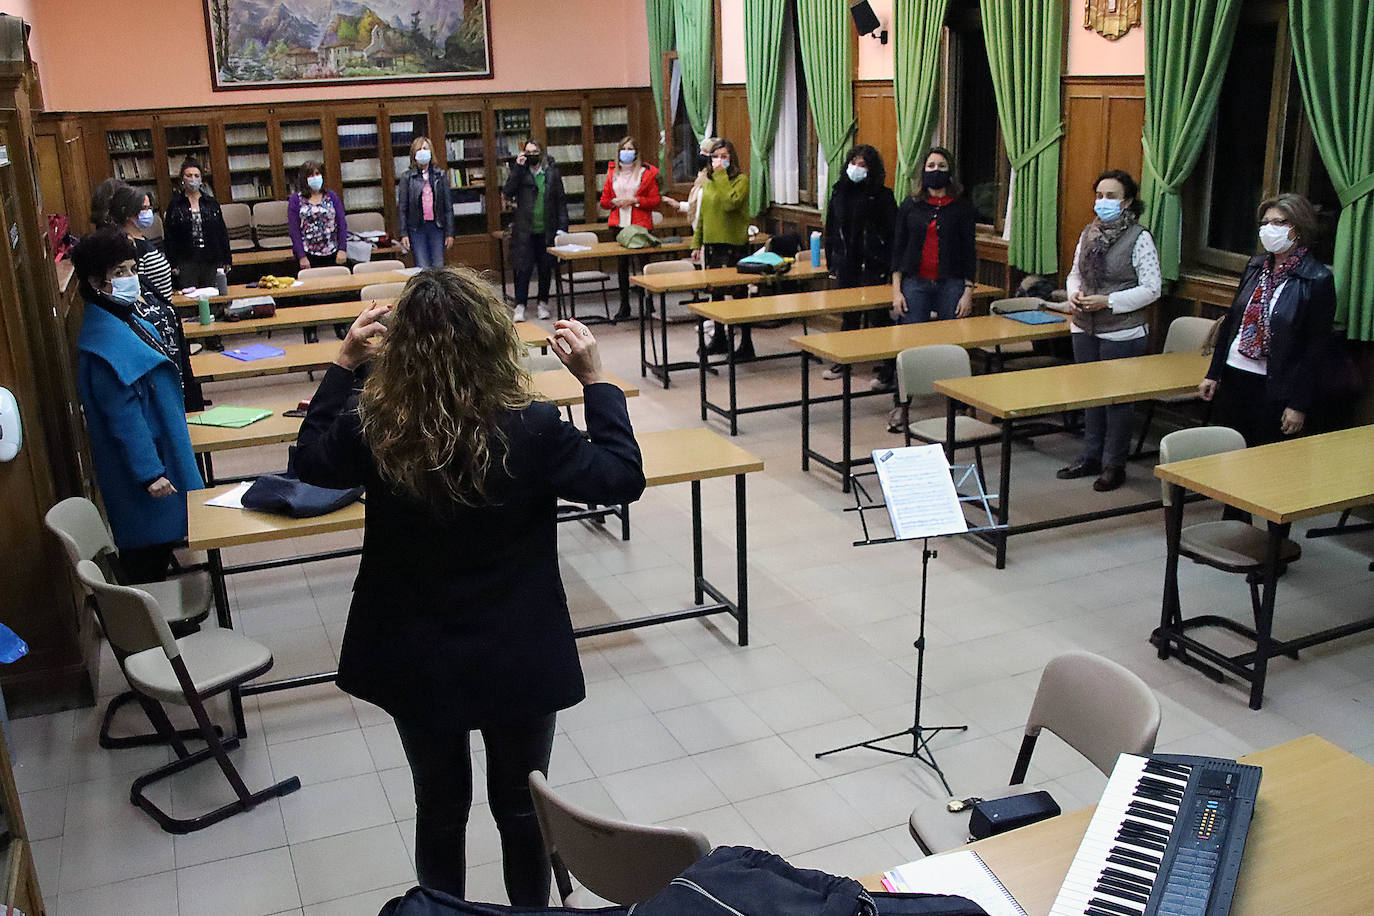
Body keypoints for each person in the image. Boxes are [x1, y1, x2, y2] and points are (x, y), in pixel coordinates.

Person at [293, 268, 644, 904]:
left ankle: (440, 912)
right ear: (493, 340)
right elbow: (620, 477)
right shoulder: (533, 426)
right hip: (516, 650)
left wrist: (344, 363)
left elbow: (310, 462)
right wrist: (596, 380)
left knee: (438, 805)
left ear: (399, 347)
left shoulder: (375, 425)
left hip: (412, 651)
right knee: (521, 810)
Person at [72, 227, 203, 584]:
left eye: (132, 269)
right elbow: (124, 418)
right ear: (96, 282)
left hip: (161, 451)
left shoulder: (124, 318)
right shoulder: (104, 346)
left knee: (159, 546)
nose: (131, 278)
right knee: (147, 555)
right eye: (120, 272)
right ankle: (144, 615)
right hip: (146, 473)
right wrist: (150, 473)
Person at [1199, 193, 1336, 446]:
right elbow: (1233, 321)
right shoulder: (1256, 266)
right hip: (1235, 372)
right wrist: (1213, 373)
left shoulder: (1316, 278)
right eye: (1265, 223)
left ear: (1299, 227)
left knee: (1261, 453)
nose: (1269, 229)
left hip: (1275, 385)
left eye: (1279, 222)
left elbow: (1315, 348)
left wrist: (1298, 404)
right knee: (1226, 450)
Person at [1056, 169, 1162, 492]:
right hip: (1084, 327)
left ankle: (1114, 464)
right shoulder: (1089, 233)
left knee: (1117, 402)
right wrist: (1074, 293)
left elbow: (1152, 288)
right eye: (1099, 195)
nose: (1103, 201)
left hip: (1122, 332)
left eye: (1111, 196)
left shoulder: (1140, 237)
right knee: (1091, 396)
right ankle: (1091, 455)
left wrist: (1109, 301)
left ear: (1127, 201)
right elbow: (1075, 274)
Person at [104, 183, 203, 411]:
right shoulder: (128, 246)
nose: (149, 213)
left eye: (150, 207)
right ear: (129, 213)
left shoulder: (142, 239)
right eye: (144, 208)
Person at [823, 144, 897, 383]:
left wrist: (888, 264)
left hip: (873, 264)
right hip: (847, 263)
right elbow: (831, 227)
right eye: (853, 163)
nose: (856, 167)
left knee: (879, 317)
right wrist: (832, 259)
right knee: (849, 315)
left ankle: (889, 365)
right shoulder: (839, 191)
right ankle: (844, 360)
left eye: (862, 164)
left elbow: (892, 233)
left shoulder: (882, 196)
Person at [891, 147, 978, 328]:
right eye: (931, 166)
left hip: (951, 283)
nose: (936, 170)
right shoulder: (910, 205)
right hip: (914, 282)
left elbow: (969, 251)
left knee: (951, 335)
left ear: (950, 171)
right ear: (923, 171)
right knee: (912, 335)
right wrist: (896, 292)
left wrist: (968, 292)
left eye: (942, 166)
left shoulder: (962, 207)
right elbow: (898, 248)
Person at [692, 138, 753, 358]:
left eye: (724, 157)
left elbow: (730, 204)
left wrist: (721, 176)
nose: (719, 161)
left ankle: (746, 343)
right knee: (715, 294)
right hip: (712, 244)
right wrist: (696, 243)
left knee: (738, 295)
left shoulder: (741, 180)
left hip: (734, 244)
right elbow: (703, 214)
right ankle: (719, 337)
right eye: (715, 157)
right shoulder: (708, 181)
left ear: (731, 159)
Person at [503, 138, 569, 323]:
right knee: (523, 269)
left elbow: (560, 202)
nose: (532, 155)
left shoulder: (551, 173)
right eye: (528, 152)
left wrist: (562, 228)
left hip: (547, 230)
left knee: (545, 268)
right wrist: (518, 168)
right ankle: (520, 305)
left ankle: (543, 303)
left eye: (535, 152)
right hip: (525, 231)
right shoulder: (521, 172)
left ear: (541, 153)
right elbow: (508, 191)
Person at [162, 158, 231, 290]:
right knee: (189, 295)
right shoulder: (175, 204)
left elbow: (221, 232)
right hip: (186, 259)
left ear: (201, 179)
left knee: (211, 293)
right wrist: (172, 263)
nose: (192, 179)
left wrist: (227, 259)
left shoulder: (211, 203)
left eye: (196, 175)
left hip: (211, 257)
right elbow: (170, 236)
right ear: (182, 179)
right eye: (189, 175)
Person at [397, 136, 454, 270]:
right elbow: (402, 208)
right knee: (423, 267)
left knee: (438, 266)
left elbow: (448, 207)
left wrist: (450, 233)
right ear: (414, 153)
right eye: (419, 149)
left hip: (436, 227)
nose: (422, 151)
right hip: (417, 229)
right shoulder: (407, 177)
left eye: (425, 148)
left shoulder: (440, 175)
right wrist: (403, 233)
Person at [288, 161, 348, 271]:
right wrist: (302, 256)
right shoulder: (296, 200)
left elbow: (342, 224)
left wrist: (342, 249)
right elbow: (294, 230)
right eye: (311, 175)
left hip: (333, 253)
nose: (315, 178)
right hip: (308, 255)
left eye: (317, 174)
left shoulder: (332, 197)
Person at [599, 135, 661, 231]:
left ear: (636, 153)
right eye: (623, 149)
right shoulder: (612, 174)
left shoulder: (646, 174)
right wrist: (613, 202)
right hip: (617, 224)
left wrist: (635, 200)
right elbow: (604, 202)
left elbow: (655, 201)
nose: (626, 152)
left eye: (630, 149)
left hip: (640, 224)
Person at [662, 136, 718, 233]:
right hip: (700, 231)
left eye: (706, 151)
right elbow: (697, 204)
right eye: (701, 151)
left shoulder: (717, 179)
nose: (702, 154)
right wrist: (679, 205)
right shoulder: (702, 176)